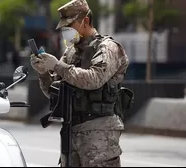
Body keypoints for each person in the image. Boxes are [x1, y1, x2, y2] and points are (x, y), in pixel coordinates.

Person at [30, 0, 129, 167]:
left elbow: (94, 79)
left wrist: (57, 65)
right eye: (63, 27)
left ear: (86, 21)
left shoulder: (107, 48)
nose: (66, 31)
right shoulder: (71, 53)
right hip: (72, 131)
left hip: (100, 133)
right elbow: (55, 92)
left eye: (70, 25)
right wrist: (44, 73)